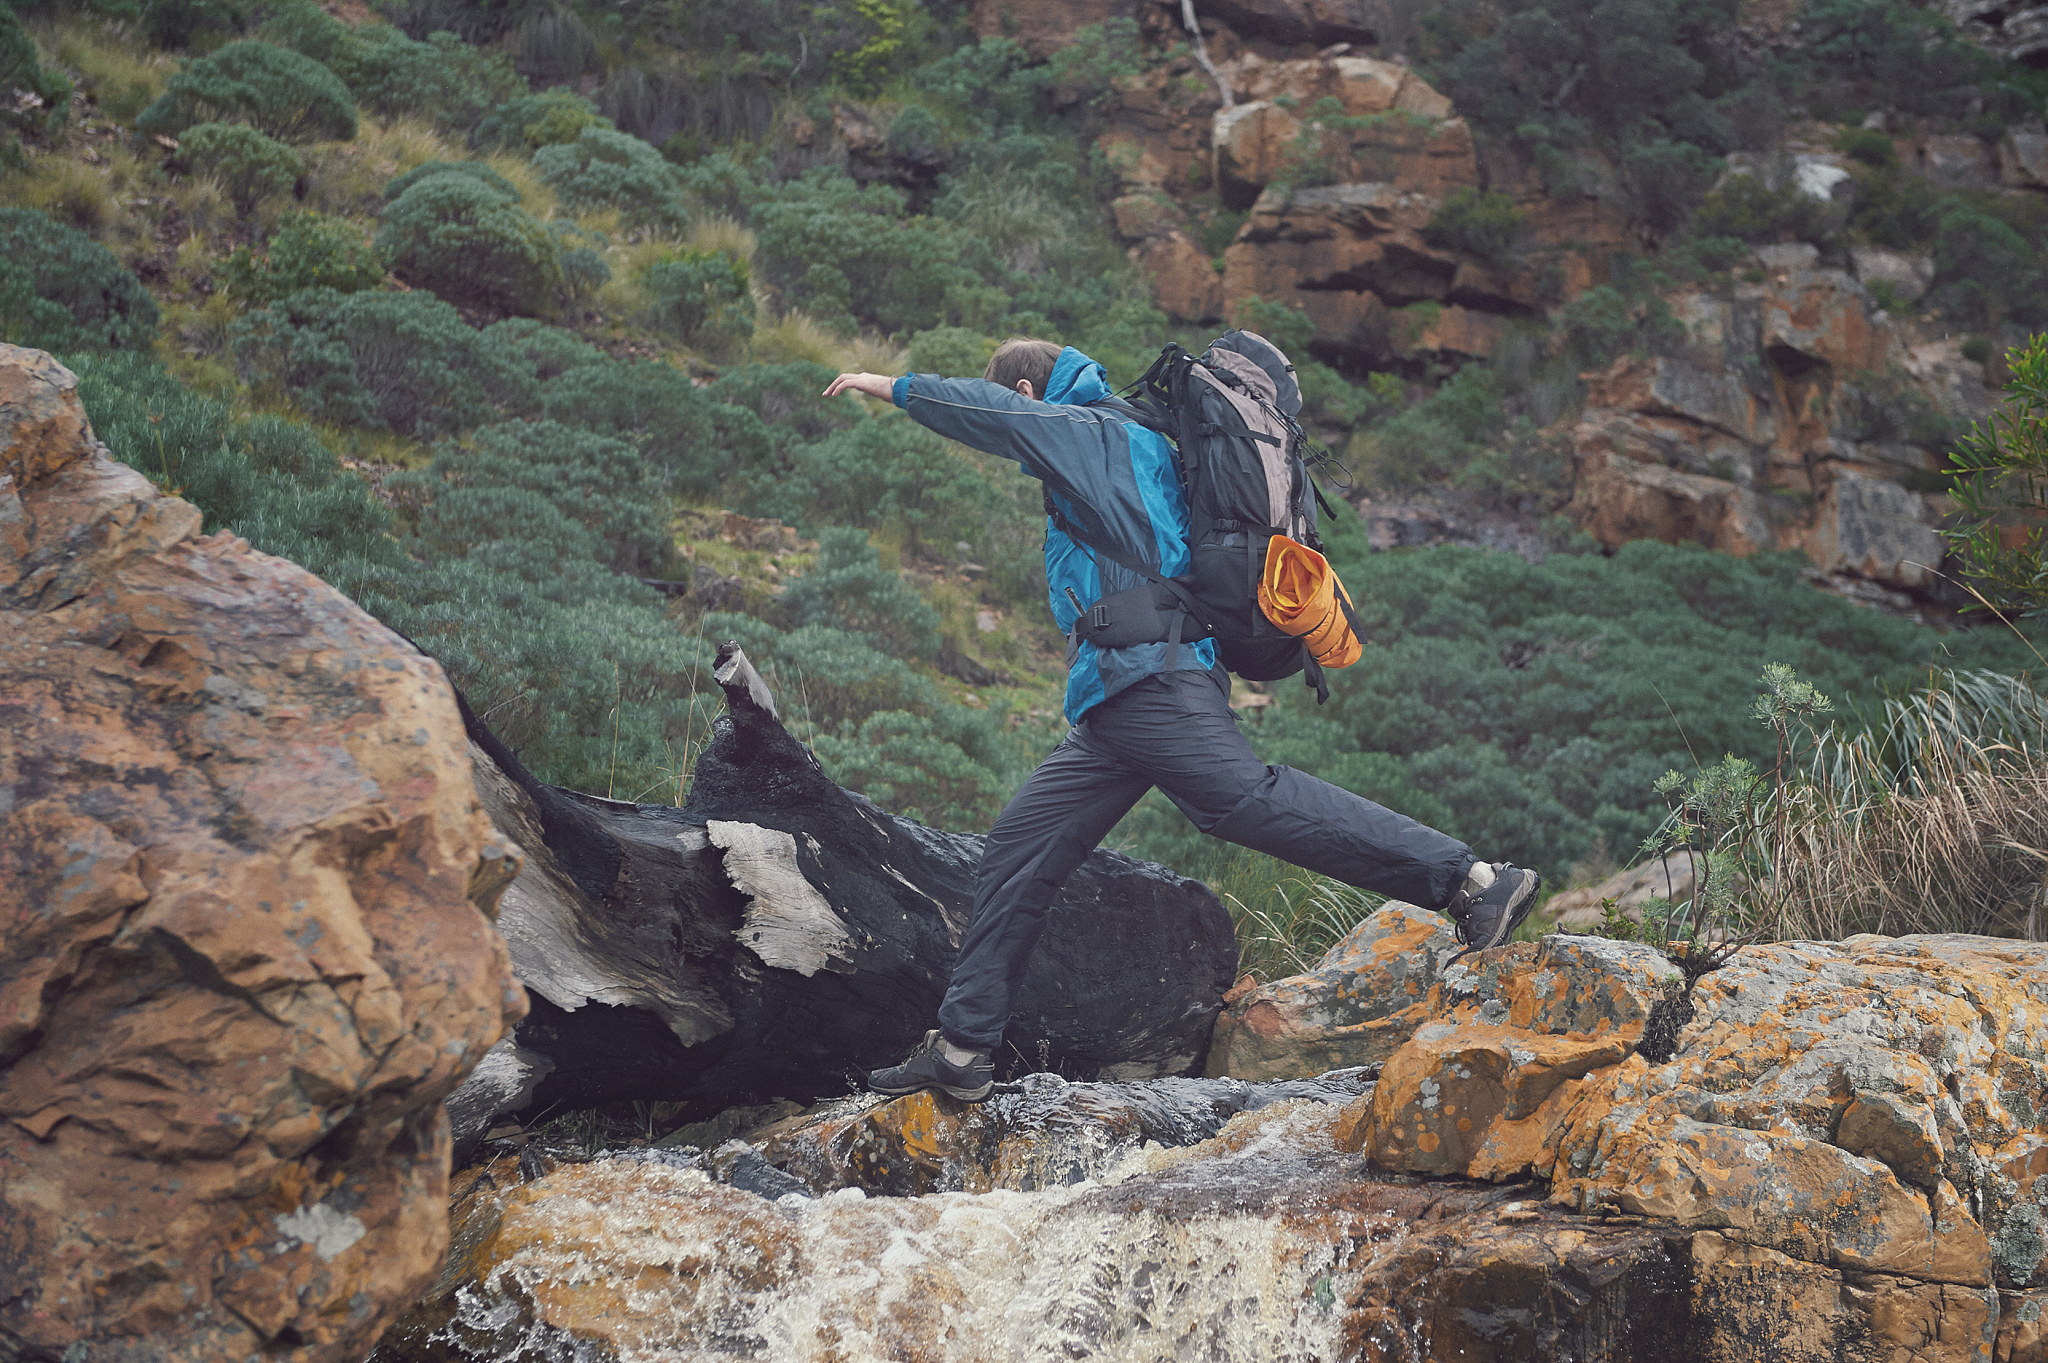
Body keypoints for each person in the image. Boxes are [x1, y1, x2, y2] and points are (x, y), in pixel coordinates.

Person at [823, 339, 1539, 1102]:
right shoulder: (1129, 434)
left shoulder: (1086, 429)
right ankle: (964, 1047)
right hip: (1120, 696)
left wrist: (888, 384)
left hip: (1152, 679)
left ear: (1031, 390)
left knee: (1243, 797)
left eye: (1020, 404)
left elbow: (993, 413)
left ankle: (1469, 880)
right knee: (1019, 847)